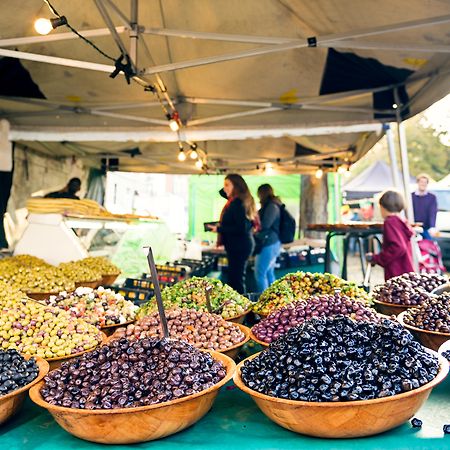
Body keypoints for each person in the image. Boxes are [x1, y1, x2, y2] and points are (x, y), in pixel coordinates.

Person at [208, 174, 256, 294]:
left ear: (236, 186)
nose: (224, 188)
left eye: (227, 185)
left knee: (236, 279)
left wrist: (219, 229)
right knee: (235, 278)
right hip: (239, 245)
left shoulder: (237, 203)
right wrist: (228, 185)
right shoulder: (235, 200)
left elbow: (240, 228)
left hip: (239, 246)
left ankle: (242, 309)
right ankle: (240, 306)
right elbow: (222, 192)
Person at [365, 190, 414, 280]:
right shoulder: (401, 221)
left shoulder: (390, 222)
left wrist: (376, 258)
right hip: (405, 270)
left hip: (396, 273)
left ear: (382, 207)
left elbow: (398, 247)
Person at [254, 184, 282, 292]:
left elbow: (265, 224)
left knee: (260, 273)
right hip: (273, 242)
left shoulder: (271, 206)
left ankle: (264, 300)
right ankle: (273, 298)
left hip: (269, 243)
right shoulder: (274, 204)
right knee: (269, 272)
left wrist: (255, 226)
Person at [412, 173, 438, 240]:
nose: (423, 184)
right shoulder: (411, 196)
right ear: (417, 182)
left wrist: (432, 226)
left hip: (426, 228)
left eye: (425, 182)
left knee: (429, 244)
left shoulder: (432, 197)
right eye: (421, 182)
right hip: (413, 227)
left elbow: (433, 212)